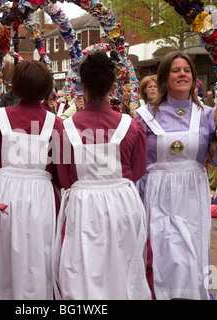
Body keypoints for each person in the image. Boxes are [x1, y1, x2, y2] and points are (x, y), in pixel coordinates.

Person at [53, 51, 152, 300]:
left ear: (82, 87)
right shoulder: (132, 126)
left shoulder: (64, 128)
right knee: (123, 266)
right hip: (123, 204)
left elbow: (64, 178)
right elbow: (138, 170)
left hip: (83, 205)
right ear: (113, 86)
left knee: (82, 271)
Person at [135, 51, 217, 300]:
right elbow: (137, 163)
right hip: (157, 194)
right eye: (175, 70)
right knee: (164, 252)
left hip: (192, 196)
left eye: (186, 70)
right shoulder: (145, 116)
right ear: (165, 77)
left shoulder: (208, 114)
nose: (182, 74)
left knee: (191, 254)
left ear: (193, 77)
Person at [0, 60, 63, 300]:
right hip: (41, 198)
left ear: (16, 86)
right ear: (47, 88)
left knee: (0, 254)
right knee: (37, 255)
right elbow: (60, 172)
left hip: (2, 195)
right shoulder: (57, 123)